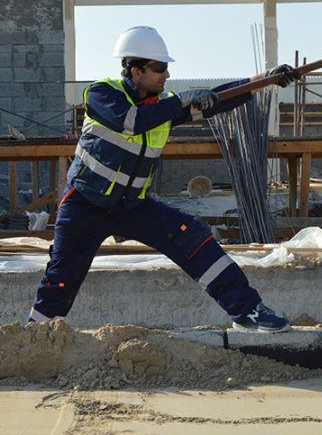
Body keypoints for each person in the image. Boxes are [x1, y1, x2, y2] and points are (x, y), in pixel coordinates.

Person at [28, 26, 299, 332]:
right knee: (61, 278)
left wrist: (264, 80)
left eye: (166, 68)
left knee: (192, 235)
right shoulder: (101, 94)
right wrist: (182, 100)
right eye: (159, 68)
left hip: (131, 206)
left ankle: (248, 311)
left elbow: (218, 100)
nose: (166, 75)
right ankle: (36, 336)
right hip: (83, 206)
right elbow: (131, 122)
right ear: (135, 71)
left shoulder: (162, 106)